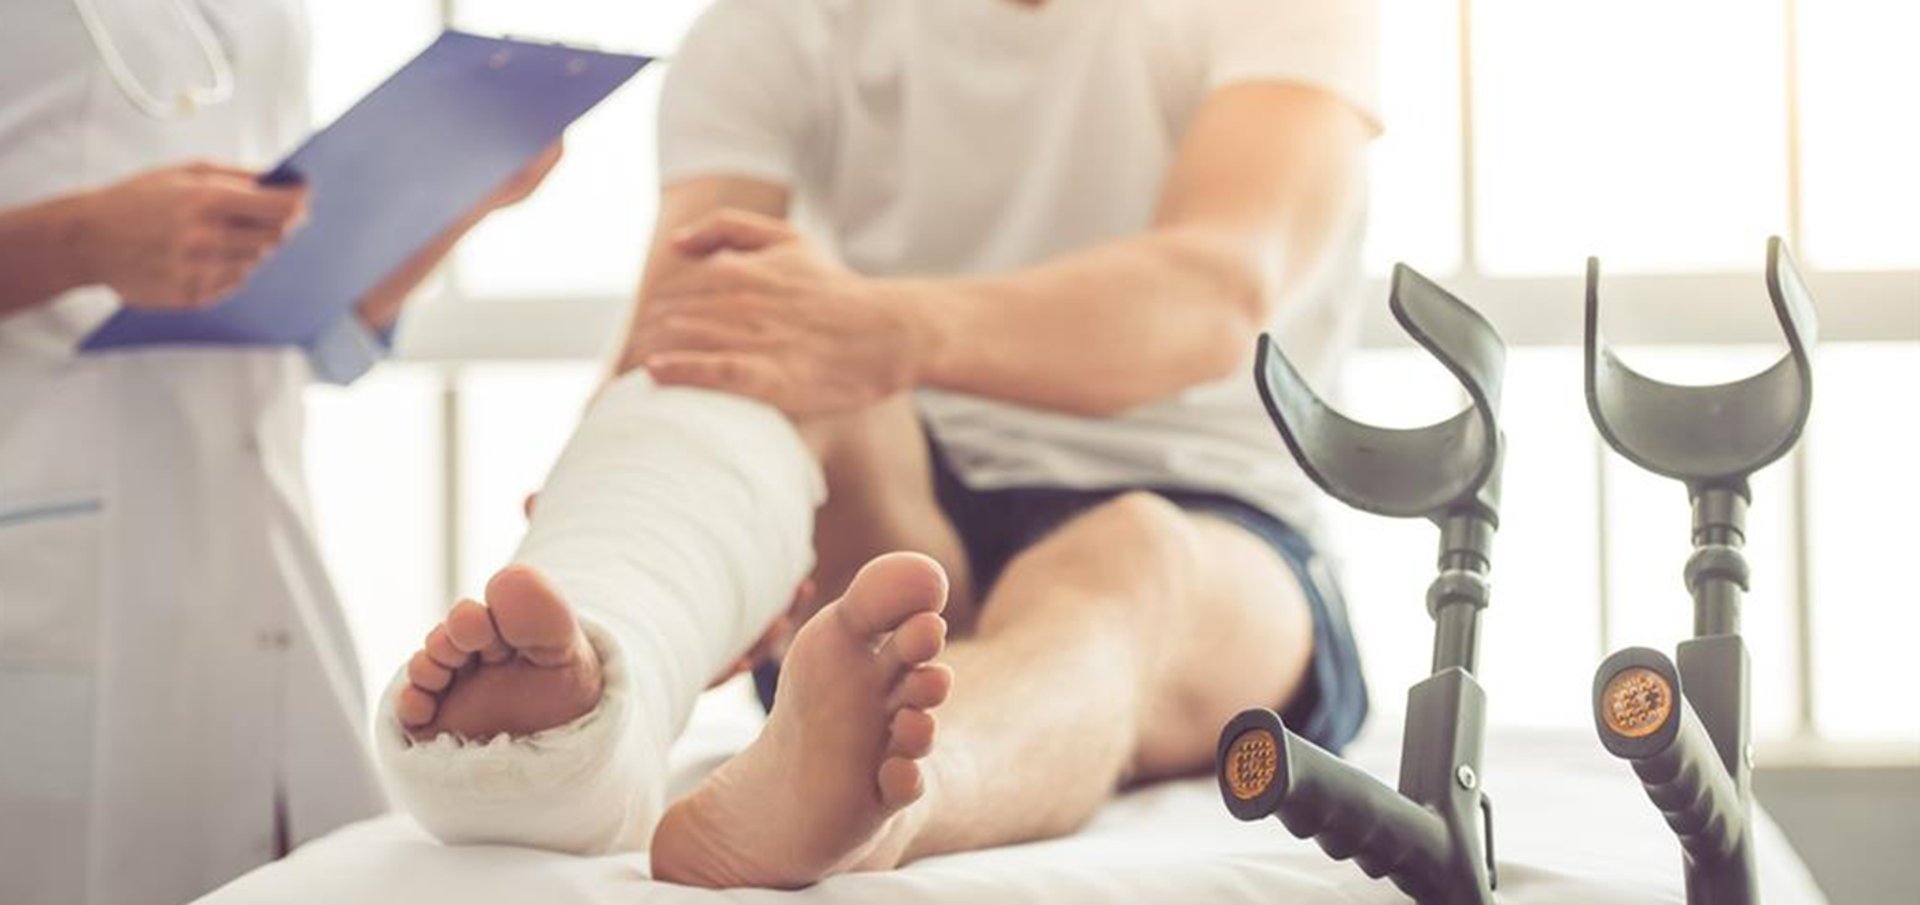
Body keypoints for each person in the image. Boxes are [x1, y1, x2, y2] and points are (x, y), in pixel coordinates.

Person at [377, 0, 1379, 889]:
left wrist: (890, 329)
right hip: (891, 522)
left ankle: (884, 796)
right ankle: (588, 697)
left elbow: (1217, 291)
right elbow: (695, 327)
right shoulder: (774, 29)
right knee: (739, 365)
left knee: (1132, 554)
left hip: (1213, 522)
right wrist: (628, 474)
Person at [0, 2, 558, 902]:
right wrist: (83, 240)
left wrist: (451, 202)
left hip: (258, 551)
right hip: (46, 552)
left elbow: (307, 329)